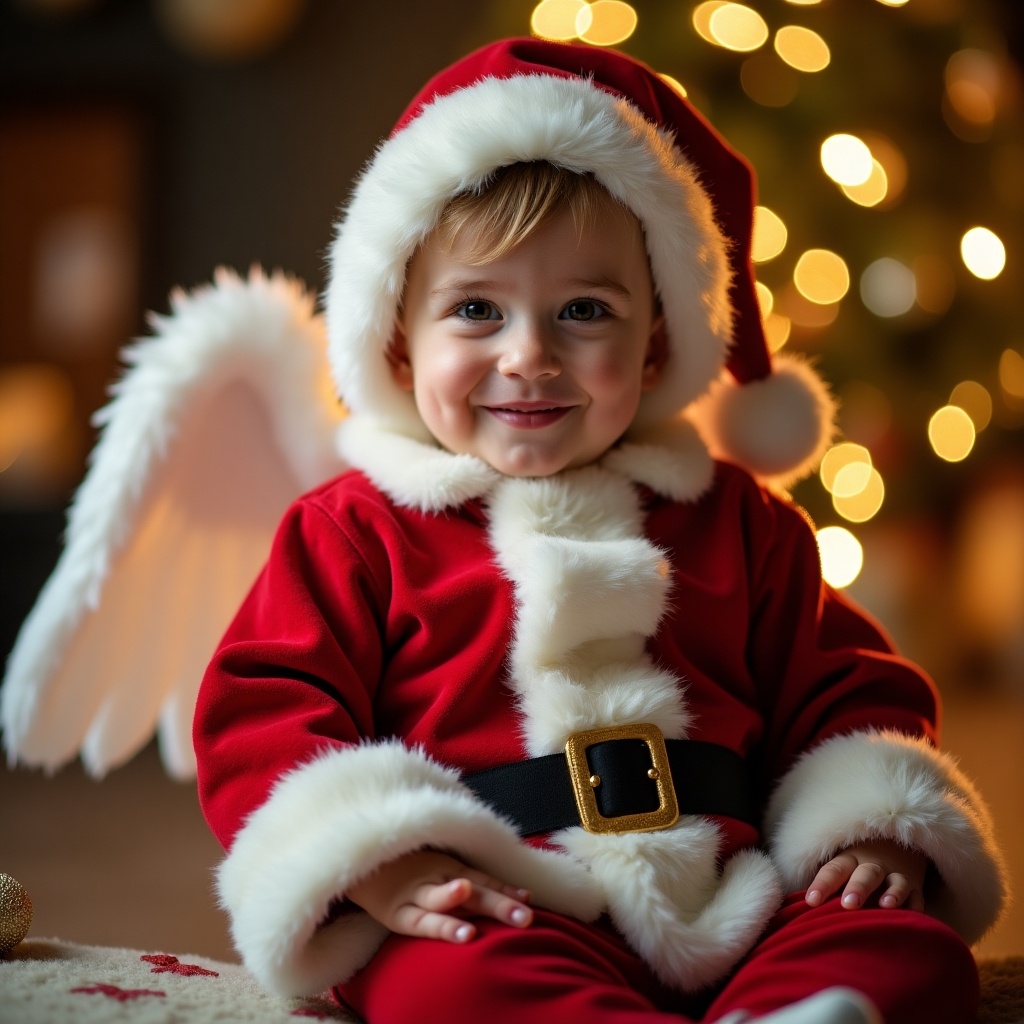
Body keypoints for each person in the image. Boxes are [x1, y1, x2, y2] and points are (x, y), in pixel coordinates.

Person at [191, 38, 1008, 1024]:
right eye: (477, 311)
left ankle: (792, 1008)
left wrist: (871, 834)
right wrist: (377, 863)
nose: (528, 357)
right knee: (438, 980)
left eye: (583, 309)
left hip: (735, 888)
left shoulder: (740, 523)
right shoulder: (354, 531)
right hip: (503, 898)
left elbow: (846, 690)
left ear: (656, 337)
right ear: (400, 345)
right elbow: (264, 715)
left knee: (908, 952)